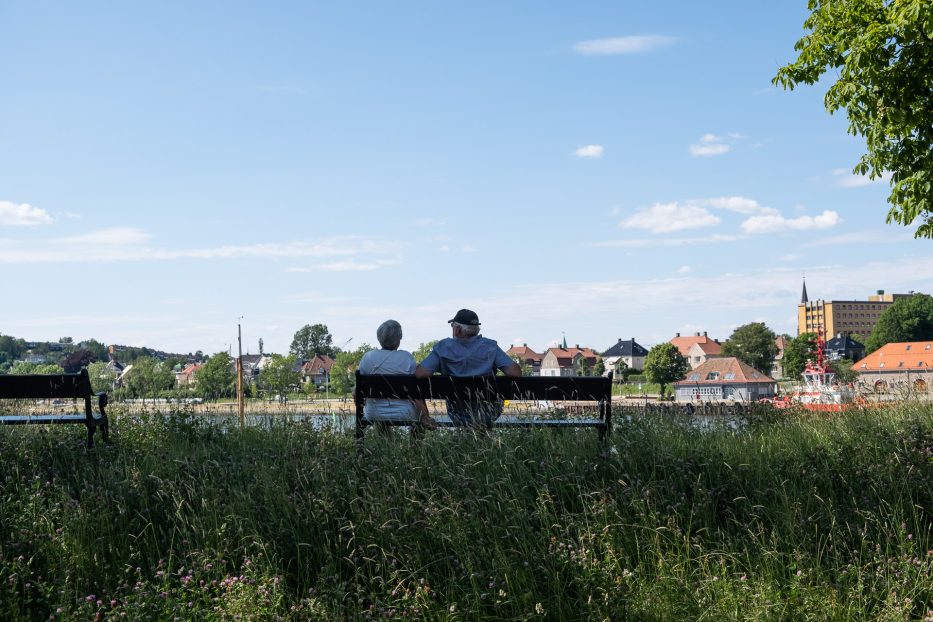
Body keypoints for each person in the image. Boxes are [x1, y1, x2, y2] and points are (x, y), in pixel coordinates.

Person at [415, 309, 521, 427]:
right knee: (483, 419)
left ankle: (467, 442)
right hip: (489, 411)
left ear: (457, 329)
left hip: (457, 411)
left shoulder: (443, 348)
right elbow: (515, 372)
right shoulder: (490, 347)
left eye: (452, 326)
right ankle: (484, 442)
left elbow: (420, 373)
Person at [358, 319, 437, 431]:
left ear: (379, 338)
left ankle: (386, 446)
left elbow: (358, 390)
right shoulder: (406, 357)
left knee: (381, 420)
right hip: (405, 412)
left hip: (374, 413)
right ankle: (415, 447)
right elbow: (416, 389)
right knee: (419, 415)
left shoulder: (368, 357)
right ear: (398, 340)